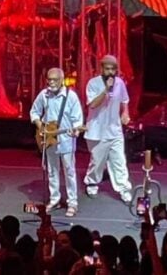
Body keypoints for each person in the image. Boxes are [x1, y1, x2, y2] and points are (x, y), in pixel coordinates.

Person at [30, 68, 83, 217]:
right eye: (49, 79)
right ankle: (55, 199)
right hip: (50, 139)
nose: (51, 82)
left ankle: (72, 202)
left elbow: (77, 120)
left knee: (69, 171)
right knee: (52, 170)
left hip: (66, 140)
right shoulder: (44, 95)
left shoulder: (71, 97)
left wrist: (76, 131)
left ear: (61, 80)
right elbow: (34, 112)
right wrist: (40, 125)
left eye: (54, 79)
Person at [83, 55, 132, 204]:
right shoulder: (93, 83)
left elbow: (125, 101)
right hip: (97, 131)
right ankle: (91, 182)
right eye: (107, 68)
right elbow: (92, 104)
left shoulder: (120, 84)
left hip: (115, 130)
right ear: (101, 69)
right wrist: (106, 90)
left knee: (119, 161)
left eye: (113, 69)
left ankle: (124, 188)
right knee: (97, 162)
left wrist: (125, 113)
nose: (110, 72)